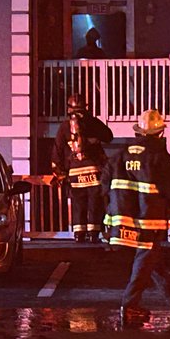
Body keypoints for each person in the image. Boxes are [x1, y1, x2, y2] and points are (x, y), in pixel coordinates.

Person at [103, 108, 170, 328]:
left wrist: (111, 213)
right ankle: (129, 304)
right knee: (145, 261)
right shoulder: (159, 157)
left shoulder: (119, 155)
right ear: (160, 133)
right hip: (148, 221)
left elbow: (104, 184)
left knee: (153, 261)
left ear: (138, 131)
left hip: (123, 220)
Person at [52, 94, 112, 242]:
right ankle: (93, 234)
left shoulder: (64, 127)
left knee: (78, 203)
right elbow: (109, 136)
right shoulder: (92, 122)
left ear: (68, 108)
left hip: (75, 173)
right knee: (94, 203)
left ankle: (79, 234)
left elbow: (57, 150)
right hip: (93, 171)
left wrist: (60, 172)